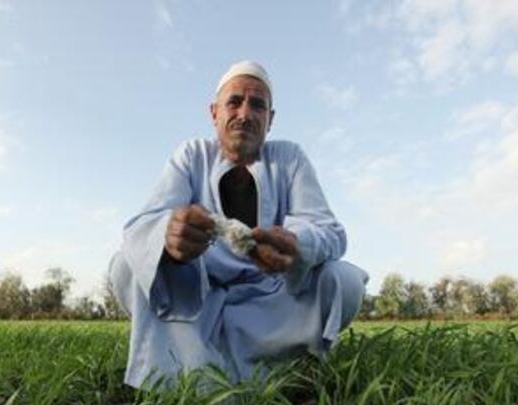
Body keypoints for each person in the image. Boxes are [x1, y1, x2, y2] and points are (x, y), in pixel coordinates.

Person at [109, 60, 369, 388]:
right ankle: (190, 369)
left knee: (343, 282)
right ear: (214, 112)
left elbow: (329, 231)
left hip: (270, 301)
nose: (245, 114)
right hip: (200, 300)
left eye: (257, 105)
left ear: (270, 119)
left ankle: (283, 362)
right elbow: (142, 226)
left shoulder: (289, 158)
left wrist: (296, 243)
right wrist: (169, 236)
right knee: (126, 266)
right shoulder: (192, 155)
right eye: (234, 102)